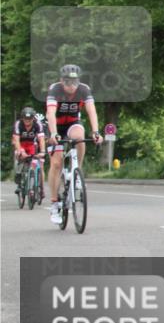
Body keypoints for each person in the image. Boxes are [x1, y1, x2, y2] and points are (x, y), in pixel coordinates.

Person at [46, 64, 102, 223]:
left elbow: (91, 110)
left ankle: (77, 170)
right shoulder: (55, 89)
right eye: (67, 82)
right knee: (56, 163)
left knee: (79, 136)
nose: (71, 86)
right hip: (55, 125)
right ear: (61, 80)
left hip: (72, 123)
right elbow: (50, 113)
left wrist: (96, 132)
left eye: (75, 82)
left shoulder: (84, 89)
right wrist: (54, 133)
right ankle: (54, 204)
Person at [12, 106, 46, 200]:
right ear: (22, 118)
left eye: (30, 119)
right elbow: (16, 140)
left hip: (31, 144)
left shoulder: (37, 124)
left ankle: (32, 185)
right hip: (21, 144)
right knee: (20, 156)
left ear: (33, 118)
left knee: (34, 161)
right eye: (25, 119)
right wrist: (20, 151)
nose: (27, 121)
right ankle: (19, 177)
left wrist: (43, 151)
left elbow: (41, 139)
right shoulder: (18, 124)